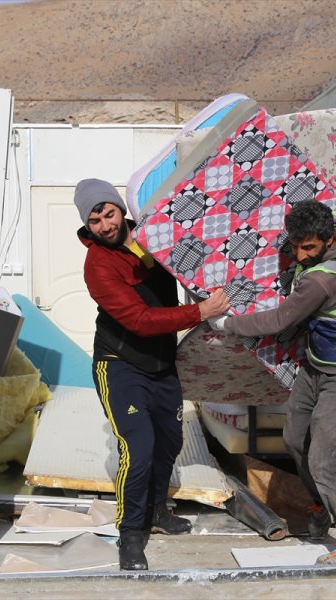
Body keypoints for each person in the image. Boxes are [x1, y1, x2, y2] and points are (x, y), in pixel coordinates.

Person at [212, 199, 336, 564]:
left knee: (324, 461)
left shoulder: (323, 281)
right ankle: (323, 507)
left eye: (309, 247)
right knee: (295, 439)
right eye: (295, 246)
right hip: (317, 363)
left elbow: (278, 321)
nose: (301, 255)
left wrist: (227, 324)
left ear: (329, 240)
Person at [74, 178, 230, 570]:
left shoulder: (153, 238)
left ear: (119, 209)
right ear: (87, 225)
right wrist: (200, 312)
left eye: (108, 214)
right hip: (120, 364)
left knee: (169, 442)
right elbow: (140, 320)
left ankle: (157, 510)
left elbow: (192, 255)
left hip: (161, 363)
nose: (105, 225)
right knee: (138, 448)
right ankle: (130, 534)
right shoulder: (98, 265)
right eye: (95, 221)